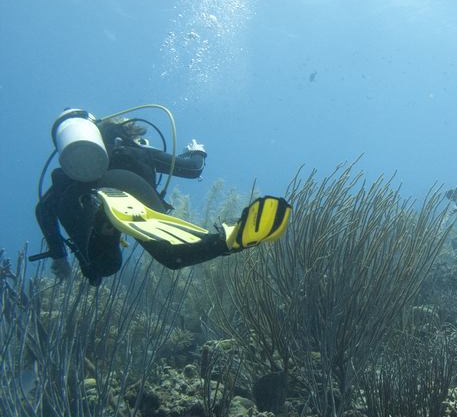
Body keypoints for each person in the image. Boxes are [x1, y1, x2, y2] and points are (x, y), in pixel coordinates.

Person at [35, 108, 290, 286]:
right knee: (172, 257)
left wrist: (59, 255)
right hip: (135, 189)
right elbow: (192, 169)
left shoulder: (73, 169)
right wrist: (198, 151)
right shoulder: (137, 150)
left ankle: (105, 221)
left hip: (89, 193)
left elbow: (43, 210)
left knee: (103, 268)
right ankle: (229, 238)